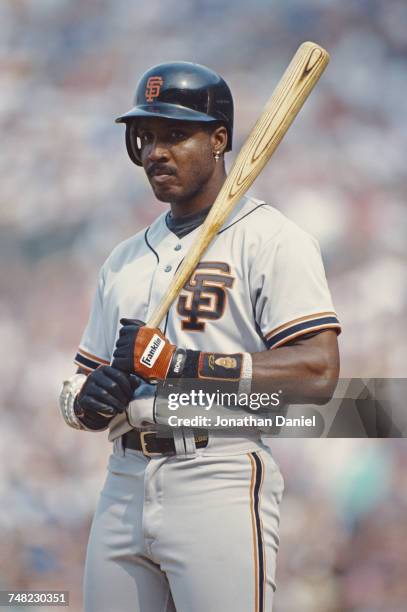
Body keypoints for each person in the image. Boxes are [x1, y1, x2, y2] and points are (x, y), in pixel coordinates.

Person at [59, 61, 340, 612]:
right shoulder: (123, 257)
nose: (156, 152)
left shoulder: (273, 238)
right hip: (122, 478)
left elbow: (319, 371)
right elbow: (81, 380)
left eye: (175, 134)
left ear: (219, 140)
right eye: (146, 137)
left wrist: (184, 365)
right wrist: (83, 401)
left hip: (219, 473)